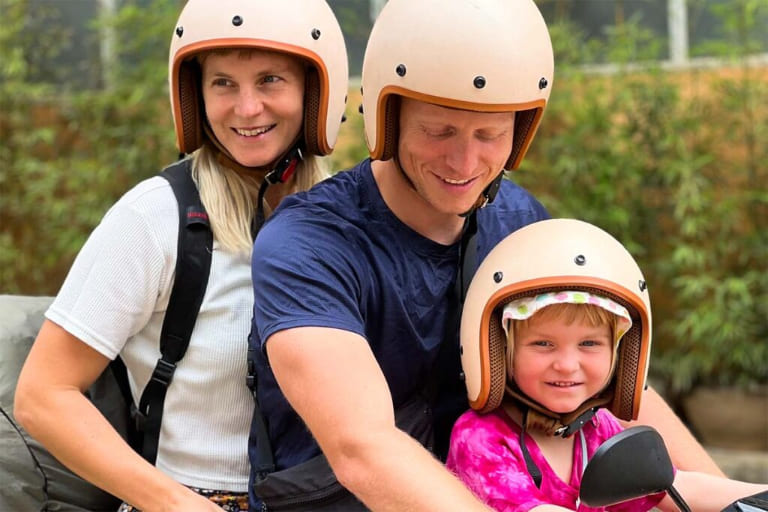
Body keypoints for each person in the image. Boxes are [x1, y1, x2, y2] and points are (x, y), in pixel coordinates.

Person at [248, 0, 724, 509]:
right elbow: (363, 447)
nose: (465, 162)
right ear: (387, 118)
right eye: (439, 132)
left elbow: (612, 384)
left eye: (490, 134)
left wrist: (737, 496)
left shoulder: (519, 223)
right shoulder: (308, 244)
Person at [13, 0, 348, 510]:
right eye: (223, 83)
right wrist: (180, 505)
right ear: (195, 96)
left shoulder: (348, 222)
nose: (247, 107)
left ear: (315, 91)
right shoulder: (156, 217)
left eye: (270, 80)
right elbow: (43, 396)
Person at [448, 218, 767, 511]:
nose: (567, 364)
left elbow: (678, 487)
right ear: (499, 351)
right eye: (543, 344)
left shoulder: (599, 430)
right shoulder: (479, 439)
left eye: (589, 344)